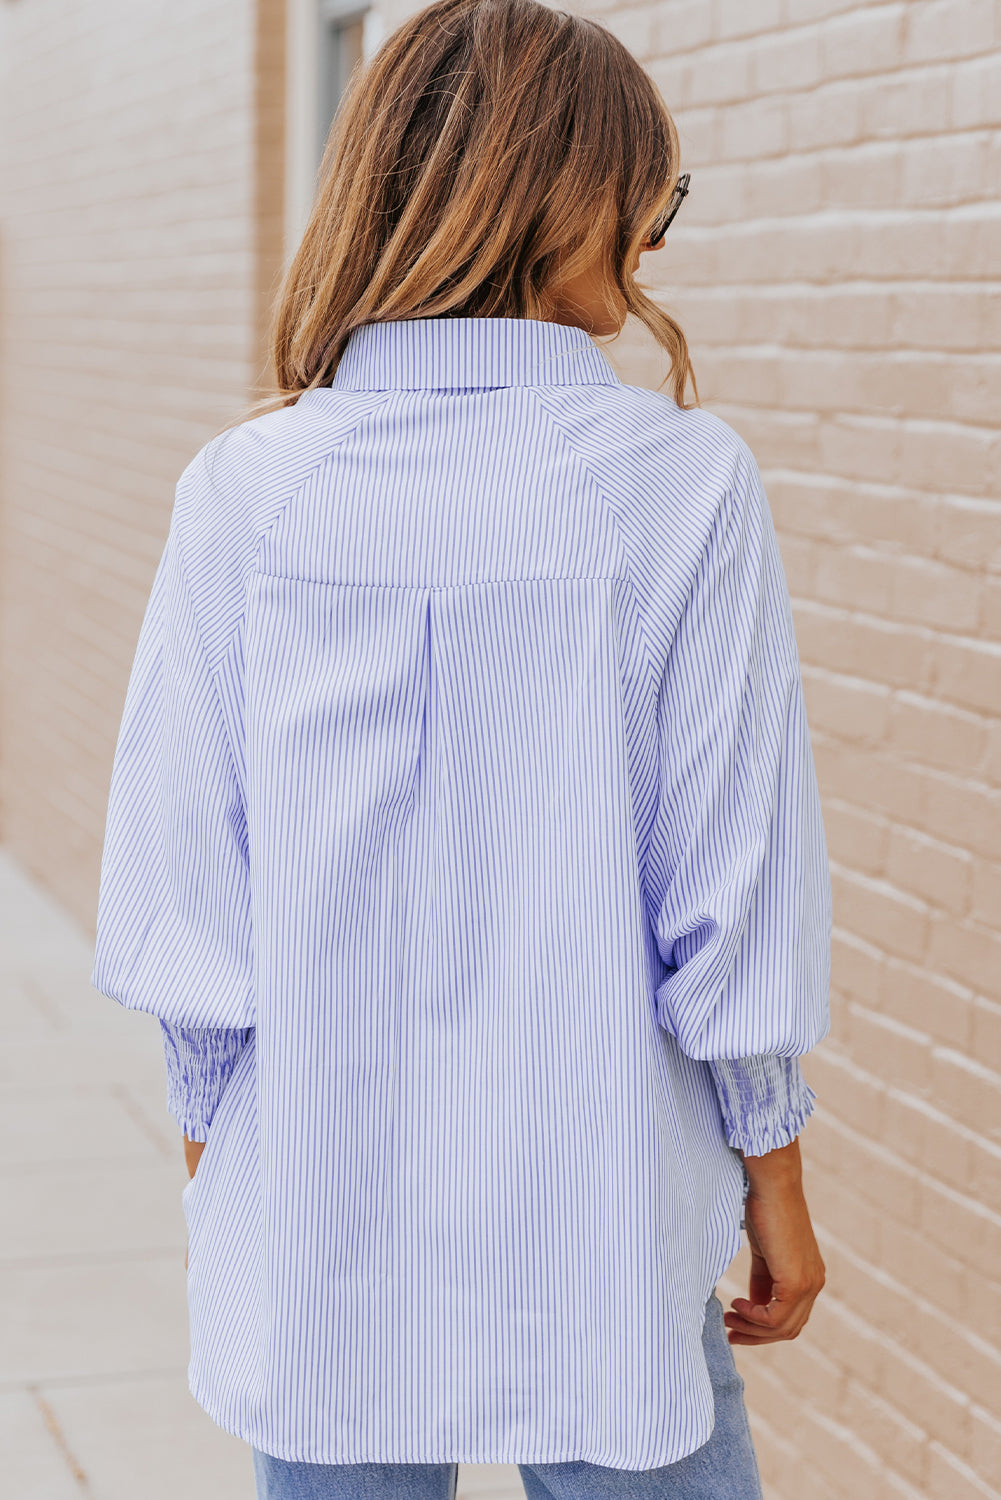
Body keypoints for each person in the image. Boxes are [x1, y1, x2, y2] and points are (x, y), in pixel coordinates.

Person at [89, 0, 832, 1495]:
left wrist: (233, 1173)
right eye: (652, 197)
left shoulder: (248, 492)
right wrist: (776, 1182)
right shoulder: (680, 488)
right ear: (566, 197)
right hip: (601, 1216)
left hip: (318, 1223)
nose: (654, 241)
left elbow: (183, 899)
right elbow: (729, 898)